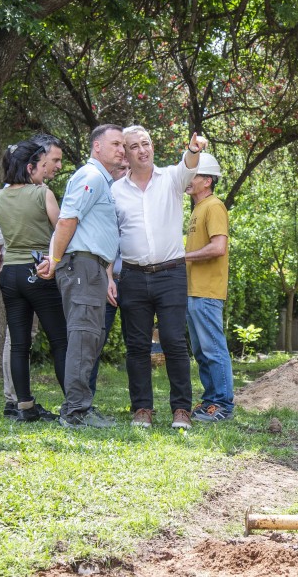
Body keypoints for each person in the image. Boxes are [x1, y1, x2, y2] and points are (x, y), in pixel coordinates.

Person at [111, 126, 203, 429]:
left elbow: (188, 166)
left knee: (175, 342)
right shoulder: (115, 191)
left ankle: (181, 411)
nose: (142, 150)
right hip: (133, 276)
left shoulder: (171, 180)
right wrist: (109, 275)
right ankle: (142, 410)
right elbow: (111, 237)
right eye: (134, 146)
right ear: (126, 152)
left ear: (153, 146)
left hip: (171, 273)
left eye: (146, 143)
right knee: (136, 346)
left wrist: (192, 150)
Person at [38, 124, 124, 428]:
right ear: (96, 147)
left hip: (92, 268)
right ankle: (75, 412)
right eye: (115, 144)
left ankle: (81, 406)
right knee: (83, 337)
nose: (122, 150)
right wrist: (55, 259)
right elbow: (66, 221)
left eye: (122, 145)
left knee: (89, 337)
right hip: (82, 267)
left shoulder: (103, 181)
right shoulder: (90, 177)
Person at [0, 136, 67, 422]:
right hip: (39, 270)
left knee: (19, 344)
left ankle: (25, 406)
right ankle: (74, 403)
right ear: (31, 166)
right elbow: (62, 229)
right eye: (42, 165)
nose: (45, 170)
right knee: (60, 340)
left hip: (11, 275)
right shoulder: (42, 193)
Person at [185, 152, 235, 422]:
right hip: (194, 290)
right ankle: (210, 401)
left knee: (213, 349)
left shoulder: (214, 206)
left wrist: (181, 257)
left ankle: (223, 405)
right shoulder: (197, 209)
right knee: (202, 351)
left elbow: (218, 247)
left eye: (194, 175)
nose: (188, 180)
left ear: (207, 181)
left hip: (207, 291)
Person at [90, 157, 130, 395]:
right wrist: (108, 279)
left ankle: (141, 404)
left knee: (136, 343)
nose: (124, 172)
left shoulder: (139, 197)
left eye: (128, 168)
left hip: (133, 278)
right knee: (95, 340)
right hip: (106, 278)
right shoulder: (103, 196)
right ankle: (85, 401)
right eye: (121, 168)